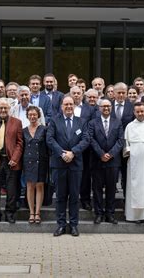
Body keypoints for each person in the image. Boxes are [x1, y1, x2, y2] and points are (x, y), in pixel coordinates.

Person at [47, 96, 90, 237]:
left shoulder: (81, 122)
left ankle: (73, 225)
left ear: (74, 106)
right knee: (60, 196)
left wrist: (73, 153)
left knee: (74, 196)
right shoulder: (54, 121)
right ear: (61, 106)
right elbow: (50, 139)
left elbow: (86, 139)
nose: (69, 106)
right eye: (66, 104)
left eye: (71, 104)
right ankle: (61, 225)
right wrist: (61, 153)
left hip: (75, 164)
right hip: (59, 164)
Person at [88, 99, 123, 225]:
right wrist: (101, 154)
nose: (106, 108)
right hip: (97, 160)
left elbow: (120, 141)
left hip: (113, 161)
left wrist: (110, 154)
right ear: (99, 108)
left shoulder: (117, 122)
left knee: (111, 189)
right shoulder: (92, 123)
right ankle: (98, 214)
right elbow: (90, 139)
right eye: (104, 106)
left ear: (111, 108)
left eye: (108, 106)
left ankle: (110, 214)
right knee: (97, 189)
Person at [22, 106, 48, 224]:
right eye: (30, 114)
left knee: (39, 186)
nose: (32, 117)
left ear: (38, 115)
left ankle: (37, 212)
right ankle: (31, 212)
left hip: (41, 161)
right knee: (29, 186)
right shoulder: (23, 130)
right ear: (27, 116)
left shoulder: (44, 129)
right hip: (27, 161)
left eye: (34, 114)